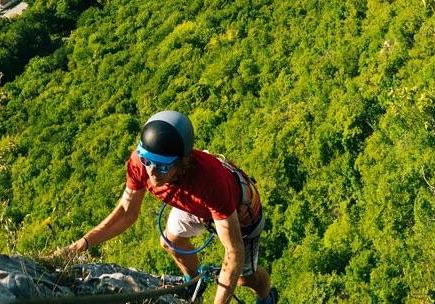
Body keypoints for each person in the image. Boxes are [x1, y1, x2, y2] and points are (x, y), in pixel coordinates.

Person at [58, 110, 278, 304]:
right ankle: (193, 283)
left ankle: (267, 297)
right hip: (195, 206)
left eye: (162, 166)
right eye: (147, 160)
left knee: (243, 278)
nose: (152, 172)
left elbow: (233, 252)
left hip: (241, 215)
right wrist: (81, 245)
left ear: (183, 162)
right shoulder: (140, 165)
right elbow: (126, 212)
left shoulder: (209, 182)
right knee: (170, 242)